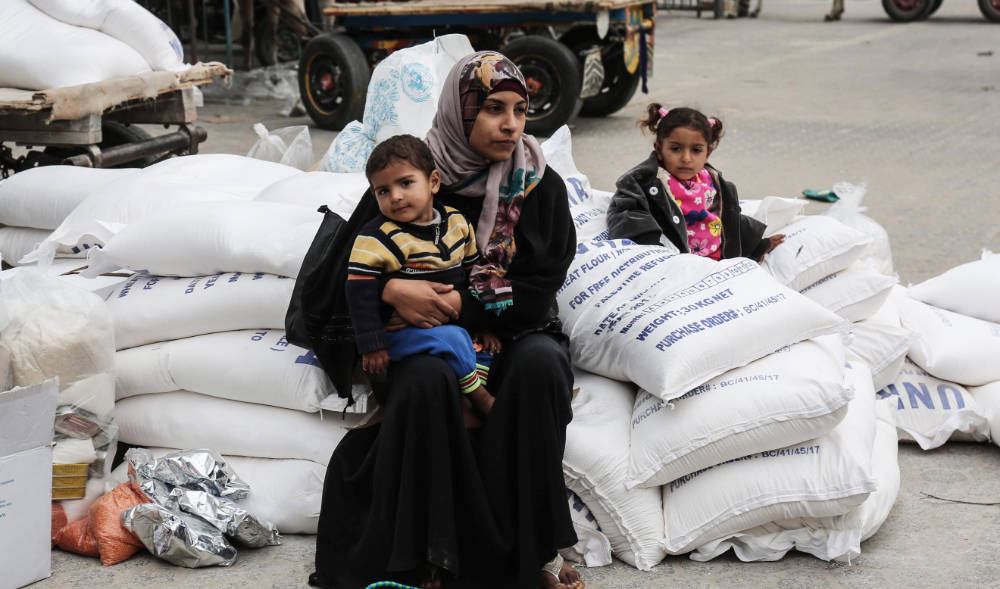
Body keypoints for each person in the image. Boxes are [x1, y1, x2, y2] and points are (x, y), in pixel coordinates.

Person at [310, 51, 583, 589]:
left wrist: (461, 302)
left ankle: (536, 554)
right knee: (427, 379)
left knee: (542, 367)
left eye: (520, 110)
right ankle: (429, 556)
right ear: (460, 114)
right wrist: (390, 287)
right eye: (493, 110)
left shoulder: (538, 184)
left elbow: (538, 288)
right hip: (428, 344)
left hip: (515, 330)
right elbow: (345, 270)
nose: (510, 125)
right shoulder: (412, 175)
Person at [347, 134, 498, 417]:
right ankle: (480, 398)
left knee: (483, 348)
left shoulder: (457, 223)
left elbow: (475, 273)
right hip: (402, 334)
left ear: (433, 182)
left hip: (451, 323)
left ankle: (464, 399)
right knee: (452, 340)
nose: (396, 196)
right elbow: (359, 291)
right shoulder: (376, 237)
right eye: (383, 191)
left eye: (405, 183)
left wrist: (484, 324)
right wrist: (372, 343)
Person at [607, 104, 784, 261]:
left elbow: (727, 221)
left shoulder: (712, 180)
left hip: (716, 260)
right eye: (676, 149)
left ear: (708, 153)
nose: (686, 158)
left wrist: (755, 245)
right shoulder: (644, 182)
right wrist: (655, 253)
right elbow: (627, 214)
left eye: (696, 150)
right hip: (677, 265)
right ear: (659, 149)